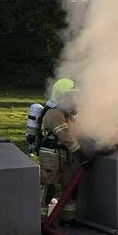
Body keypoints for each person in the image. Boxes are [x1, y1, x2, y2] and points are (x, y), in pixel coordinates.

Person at [38, 78, 93, 224]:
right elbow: (67, 138)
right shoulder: (54, 114)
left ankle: (68, 218)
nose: (74, 99)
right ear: (61, 96)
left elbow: (79, 135)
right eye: (70, 95)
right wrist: (82, 157)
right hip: (51, 154)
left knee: (71, 186)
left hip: (66, 156)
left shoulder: (68, 115)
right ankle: (40, 221)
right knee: (48, 188)